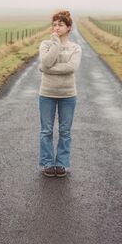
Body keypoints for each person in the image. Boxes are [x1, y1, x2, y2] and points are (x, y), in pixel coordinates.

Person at [38, 10, 82, 178]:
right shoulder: (45, 44)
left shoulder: (75, 48)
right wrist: (55, 43)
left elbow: (71, 68)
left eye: (60, 24)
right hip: (46, 93)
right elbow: (46, 62)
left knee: (65, 131)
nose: (56, 27)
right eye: (54, 24)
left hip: (68, 95)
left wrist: (48, 69)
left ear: (68, 27)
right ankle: (48, 163)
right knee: (46, 131)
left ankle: (61, 164)